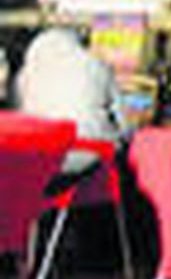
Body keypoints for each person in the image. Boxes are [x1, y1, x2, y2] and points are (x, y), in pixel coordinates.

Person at [14, 27, 126, 180]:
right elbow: (123, 122)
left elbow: (19, 117)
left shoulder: (25, 75)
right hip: (90, 153)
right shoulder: (95, 65)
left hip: (41, 159)